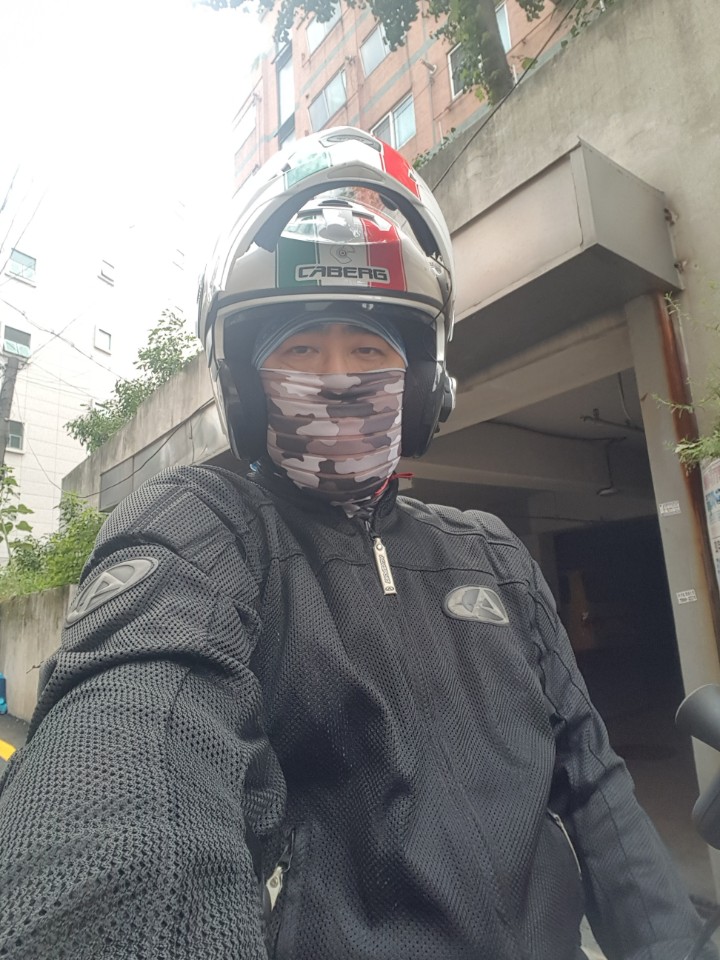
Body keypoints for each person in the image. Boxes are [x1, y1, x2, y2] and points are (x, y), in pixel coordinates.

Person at [0, 127, 713, 960]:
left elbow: (592, 783)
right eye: (301, 348)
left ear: (423, 385)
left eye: (369, 348)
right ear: (246, 389)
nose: (337, 375)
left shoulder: (495, 558)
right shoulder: (207, 533)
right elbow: (129, 758)